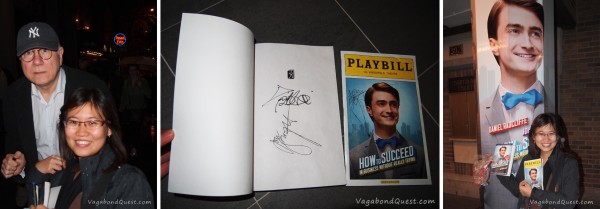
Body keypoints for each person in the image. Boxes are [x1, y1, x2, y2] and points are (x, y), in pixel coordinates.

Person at [0, 22, 112, 206]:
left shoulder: (91, 87)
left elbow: (112, 139)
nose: (37, 61)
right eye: (28, 53)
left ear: (60, 54)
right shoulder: (13, 95)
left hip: (83, 185)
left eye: (44, 51)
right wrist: (16, 163)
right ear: (20, 61)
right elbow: (14, 144)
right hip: (35, 184)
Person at [31, 87, 153, 208]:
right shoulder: (64, 172)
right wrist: (38, 172)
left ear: (109, 129)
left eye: (92, 123)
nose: (81, 132)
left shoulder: (129, 181)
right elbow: (39, 202)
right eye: (73, 122)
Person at [479, 1, 545, 208]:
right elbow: (483, 167)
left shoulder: (554, 103)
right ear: (493, 45)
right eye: (514, 30)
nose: (527, 42)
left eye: (535, 33)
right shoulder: (481, 111)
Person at [498, 113, 579, 209]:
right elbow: (519, 191)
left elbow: (569, 202)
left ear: (557, 136)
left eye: (551, 133)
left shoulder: (568, 163)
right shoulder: (528, 158)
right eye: (541, 133)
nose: (546, 139)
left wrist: (533, 193)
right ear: (533, 136)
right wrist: (499, 167)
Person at [349, 82, 426, 179]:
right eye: (381, 104)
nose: (389, 110)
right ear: (369, 110)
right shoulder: (354, 158)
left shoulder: (420, 154)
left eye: (393, 104)